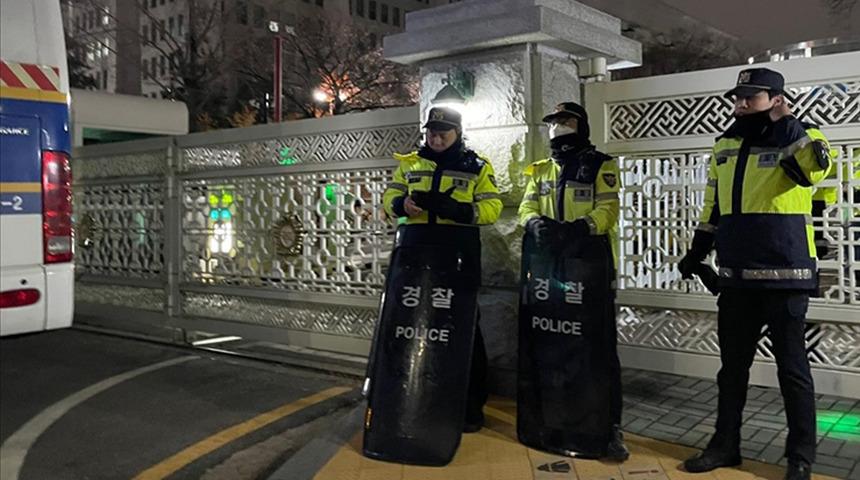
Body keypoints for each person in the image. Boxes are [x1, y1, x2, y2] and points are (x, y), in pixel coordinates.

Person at [678, 68, 833, 480]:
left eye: (752, 96)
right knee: (731, 370)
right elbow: (713, 205)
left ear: (777, 99)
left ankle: (800, 458)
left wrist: (786, 122)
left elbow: (813, 172)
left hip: (786, 275)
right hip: (737, 276)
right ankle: (724, 445)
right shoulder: (725, 144)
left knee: (793, 371)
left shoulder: (805, 136)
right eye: (738, 96)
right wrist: (697, 251)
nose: (742, 103)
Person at [517, 101, 629, 461]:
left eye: (565, 121)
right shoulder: (540, 170)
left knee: (596, 348)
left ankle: (608, 427)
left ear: (581, 125)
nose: (558, 127)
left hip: (588, 269)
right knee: (551, 344)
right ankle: (550, 421)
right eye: (554, 122)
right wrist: (534, 223)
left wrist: (580, 228)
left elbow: (608, 210)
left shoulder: (600, 165)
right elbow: (525, 208)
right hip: (549, 271)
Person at [381, 106, 503, 432]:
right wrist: (401, 205)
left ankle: (469, 408)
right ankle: (413, 398)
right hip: (416, 255)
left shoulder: (477, 166)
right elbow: (390, 196)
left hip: (457, 258)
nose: (435, 139)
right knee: (412, 327)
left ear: (457, 133)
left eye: (442, 134)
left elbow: (492, 208)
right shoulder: (410, 164)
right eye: (431, 133)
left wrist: (459, 210)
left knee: (463, 328)